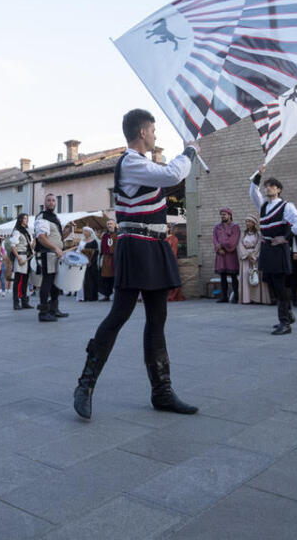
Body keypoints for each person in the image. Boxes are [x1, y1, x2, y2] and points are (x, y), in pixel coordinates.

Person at [72, 108, 198, 420]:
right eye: (153, 130)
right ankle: (85, 384)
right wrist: (190, 150)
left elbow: (165, 176)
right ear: (142, 132)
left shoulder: (144, 165)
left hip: (154, 244)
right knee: (120, 313)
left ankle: (162, 391)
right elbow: (173, 174)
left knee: (157, 318)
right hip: (137, 245)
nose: (155, 135)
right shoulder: (131, 162)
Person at [250, 165, 297, 335]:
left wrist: (285, 237)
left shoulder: (286, 206)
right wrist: (259, 174)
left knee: (280, 286)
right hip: (267, 248)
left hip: (278, 249)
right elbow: (253, 192)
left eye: (272, 186)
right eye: (266, 186)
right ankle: (288, 314)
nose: (268, 188)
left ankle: (285, 323)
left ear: (278, 189)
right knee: (273, 285)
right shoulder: (263, 206)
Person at [34, 193, 69, 323]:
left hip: (56, 254)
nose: (51, 202)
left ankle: (54, 309)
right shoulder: (42, 217)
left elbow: (58, 238)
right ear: (45, 203)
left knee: (56, 283)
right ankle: (43, 312)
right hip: (48, 254)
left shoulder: (55, 218)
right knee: (47, 282)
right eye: (48, 200)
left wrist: (69, 230)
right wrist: (55, 248)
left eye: (53, 200)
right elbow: (41, 237)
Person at [237, 216, 270, 305]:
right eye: (246, 221)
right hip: (245, 258)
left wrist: (254, 256)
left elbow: (259, 245)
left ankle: (257, 298)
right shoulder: (243, 234)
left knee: (256, 277)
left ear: (254, 223)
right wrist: (247, 255)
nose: (247, 223)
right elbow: (240, 245)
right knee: (246, 277)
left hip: (255, 258)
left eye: (249, 221)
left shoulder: (258, 234)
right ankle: (247, 299)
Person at [212, 209, 240, 303]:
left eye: (224, 214)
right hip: (220, 254)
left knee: (233, 276)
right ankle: (224, 297)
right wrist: (218, 248)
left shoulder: (235, 227)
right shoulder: (217, 227)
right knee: (222, 276)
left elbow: (234, 240)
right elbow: (214, 239)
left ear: (229, 215)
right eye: (221, 214)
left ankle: (236, 297)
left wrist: (222, 245)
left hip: (231, 254)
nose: (222, 216)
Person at [10, 214, 33, 310]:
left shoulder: (27, 231)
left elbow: (30, 245)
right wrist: (18, 257)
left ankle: (24, 301)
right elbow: (13, 246)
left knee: (25, 281)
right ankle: (16, 302)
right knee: (17, 280)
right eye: (24, 218)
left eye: (27, 218)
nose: (26, 220)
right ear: (20, 220)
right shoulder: (17, 231)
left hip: (27, 256)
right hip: (20, 256)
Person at [79, 227, 100, 301]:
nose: (84, 233)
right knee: (86, 280)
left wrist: (90, 261)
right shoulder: (82, 241)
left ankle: (93, 296)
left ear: (90, 232)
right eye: (84, 231)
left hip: (92, 264)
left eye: (86, 231)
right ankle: (86, 296)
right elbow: (79, 251)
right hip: (83, 262)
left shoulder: (94, 241)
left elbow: (96, 252)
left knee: (92, 279)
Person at [98, 219, 116, 301]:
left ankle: (115, 295)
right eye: (108, 224)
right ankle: (106, 295)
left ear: (114, 225)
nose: (109, 225)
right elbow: (102, 247)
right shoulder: (105, 236)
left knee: (115, 277)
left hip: (115, 258)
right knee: (106, 277)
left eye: (111, 223)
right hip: (106, 258)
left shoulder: (118, 234)